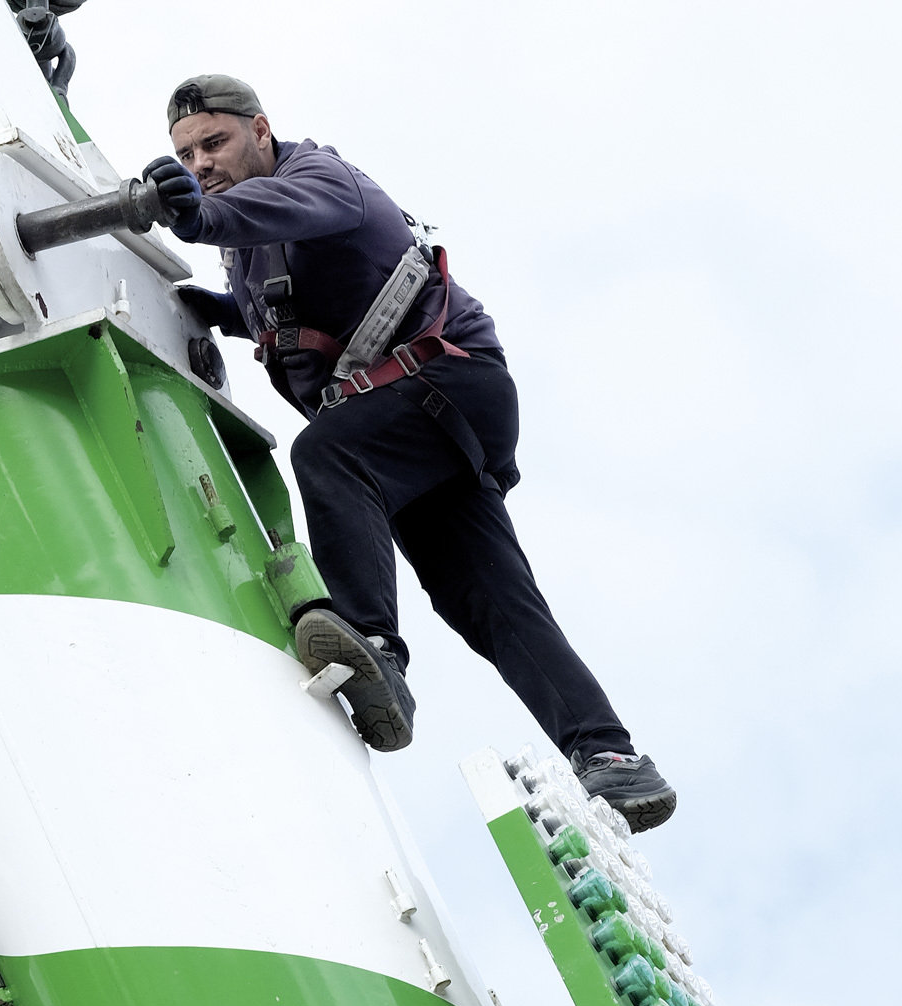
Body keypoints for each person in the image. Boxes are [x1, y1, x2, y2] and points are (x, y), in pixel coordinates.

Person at [145, 77, 677, 830]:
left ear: (261, 130)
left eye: (215, 142)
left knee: (329, 456)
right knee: (486, 600)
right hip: (411, 424)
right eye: (186, 154)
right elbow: (293, 305)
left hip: (447, 380)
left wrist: (199, 220)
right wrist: (215, 313)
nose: (200, 161)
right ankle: (613, 759)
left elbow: (294, 213)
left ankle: (373, 646)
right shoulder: (250, 254)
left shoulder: (321, 178)